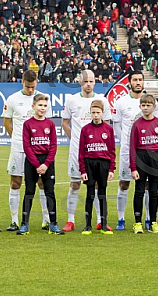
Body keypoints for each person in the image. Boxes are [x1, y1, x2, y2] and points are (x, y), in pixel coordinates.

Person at [61, 70, 112, 232]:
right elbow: (65, 123)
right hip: (77, 151)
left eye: (91, 81)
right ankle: (70, 221)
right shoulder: (72, 100)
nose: (88, 84)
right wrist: (76, 141)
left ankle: (99, 220)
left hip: (98, 153)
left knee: (97, 185)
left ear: (95, 82)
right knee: (75, 184)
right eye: (85, 81)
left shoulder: (102, 100)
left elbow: (107, 126)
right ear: (80, 82)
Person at [4, 69, 52, 232]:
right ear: (22, 82)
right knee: (16, 182)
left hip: (39, 149)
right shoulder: (13, 99)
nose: (31, 90)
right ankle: (14, 221)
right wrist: (17, 139)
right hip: (19, 148)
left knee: (41, 183)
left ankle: (46, 220)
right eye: (28, 86)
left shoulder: (44, 98)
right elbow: (7, 122)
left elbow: (47, 123)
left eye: (33, 86)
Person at [19, 93, 64, 236]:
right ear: (33, 106)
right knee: (29, 192)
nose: (42, 108)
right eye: (40, 105)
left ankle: (53, 224)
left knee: (50, 192)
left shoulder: (50, 124)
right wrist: (37, 164)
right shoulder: (28, 124)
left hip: (47, 162)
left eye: (45, 106)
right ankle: (24, 224)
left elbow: (53, 146)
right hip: (32, 162)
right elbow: (27, 146)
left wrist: (46, 164)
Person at [115, 71, 155, 231]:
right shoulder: (121, 102)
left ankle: (147, 218)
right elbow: (117, 125)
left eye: (140, 80)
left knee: (145, 184)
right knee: (124, 184)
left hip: (146, 151)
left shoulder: (151, 101)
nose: (138, 82)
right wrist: (125, 141)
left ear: (143, 82)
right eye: (135, 80)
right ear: (129, 83)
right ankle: (121, 219)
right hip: (127, 151)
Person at [129, 94, 158, 234]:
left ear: (154, 107)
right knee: (139, 190)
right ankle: (137, 222)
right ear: (140, 107)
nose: (145, 108)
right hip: (141, 158)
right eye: (143, 105)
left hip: (155, 159)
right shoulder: (137, 124)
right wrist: (133, 167)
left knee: (154, 191)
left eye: (148, 105)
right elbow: (132, 148)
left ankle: (153, 222)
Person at [78, 100, 116, 235]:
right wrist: (82, 170)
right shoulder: (85, 129)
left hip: (103, 164)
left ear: (102, 113)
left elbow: (112, 150)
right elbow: (81, 152)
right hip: (89, 163)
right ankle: (88, 225)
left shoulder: (108, 130)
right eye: (93, 112)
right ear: (90, 113)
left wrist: (111, 169)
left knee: (102, 194)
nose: (95, 115)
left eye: (98, 112)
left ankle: (104, 224)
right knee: (89, 194)